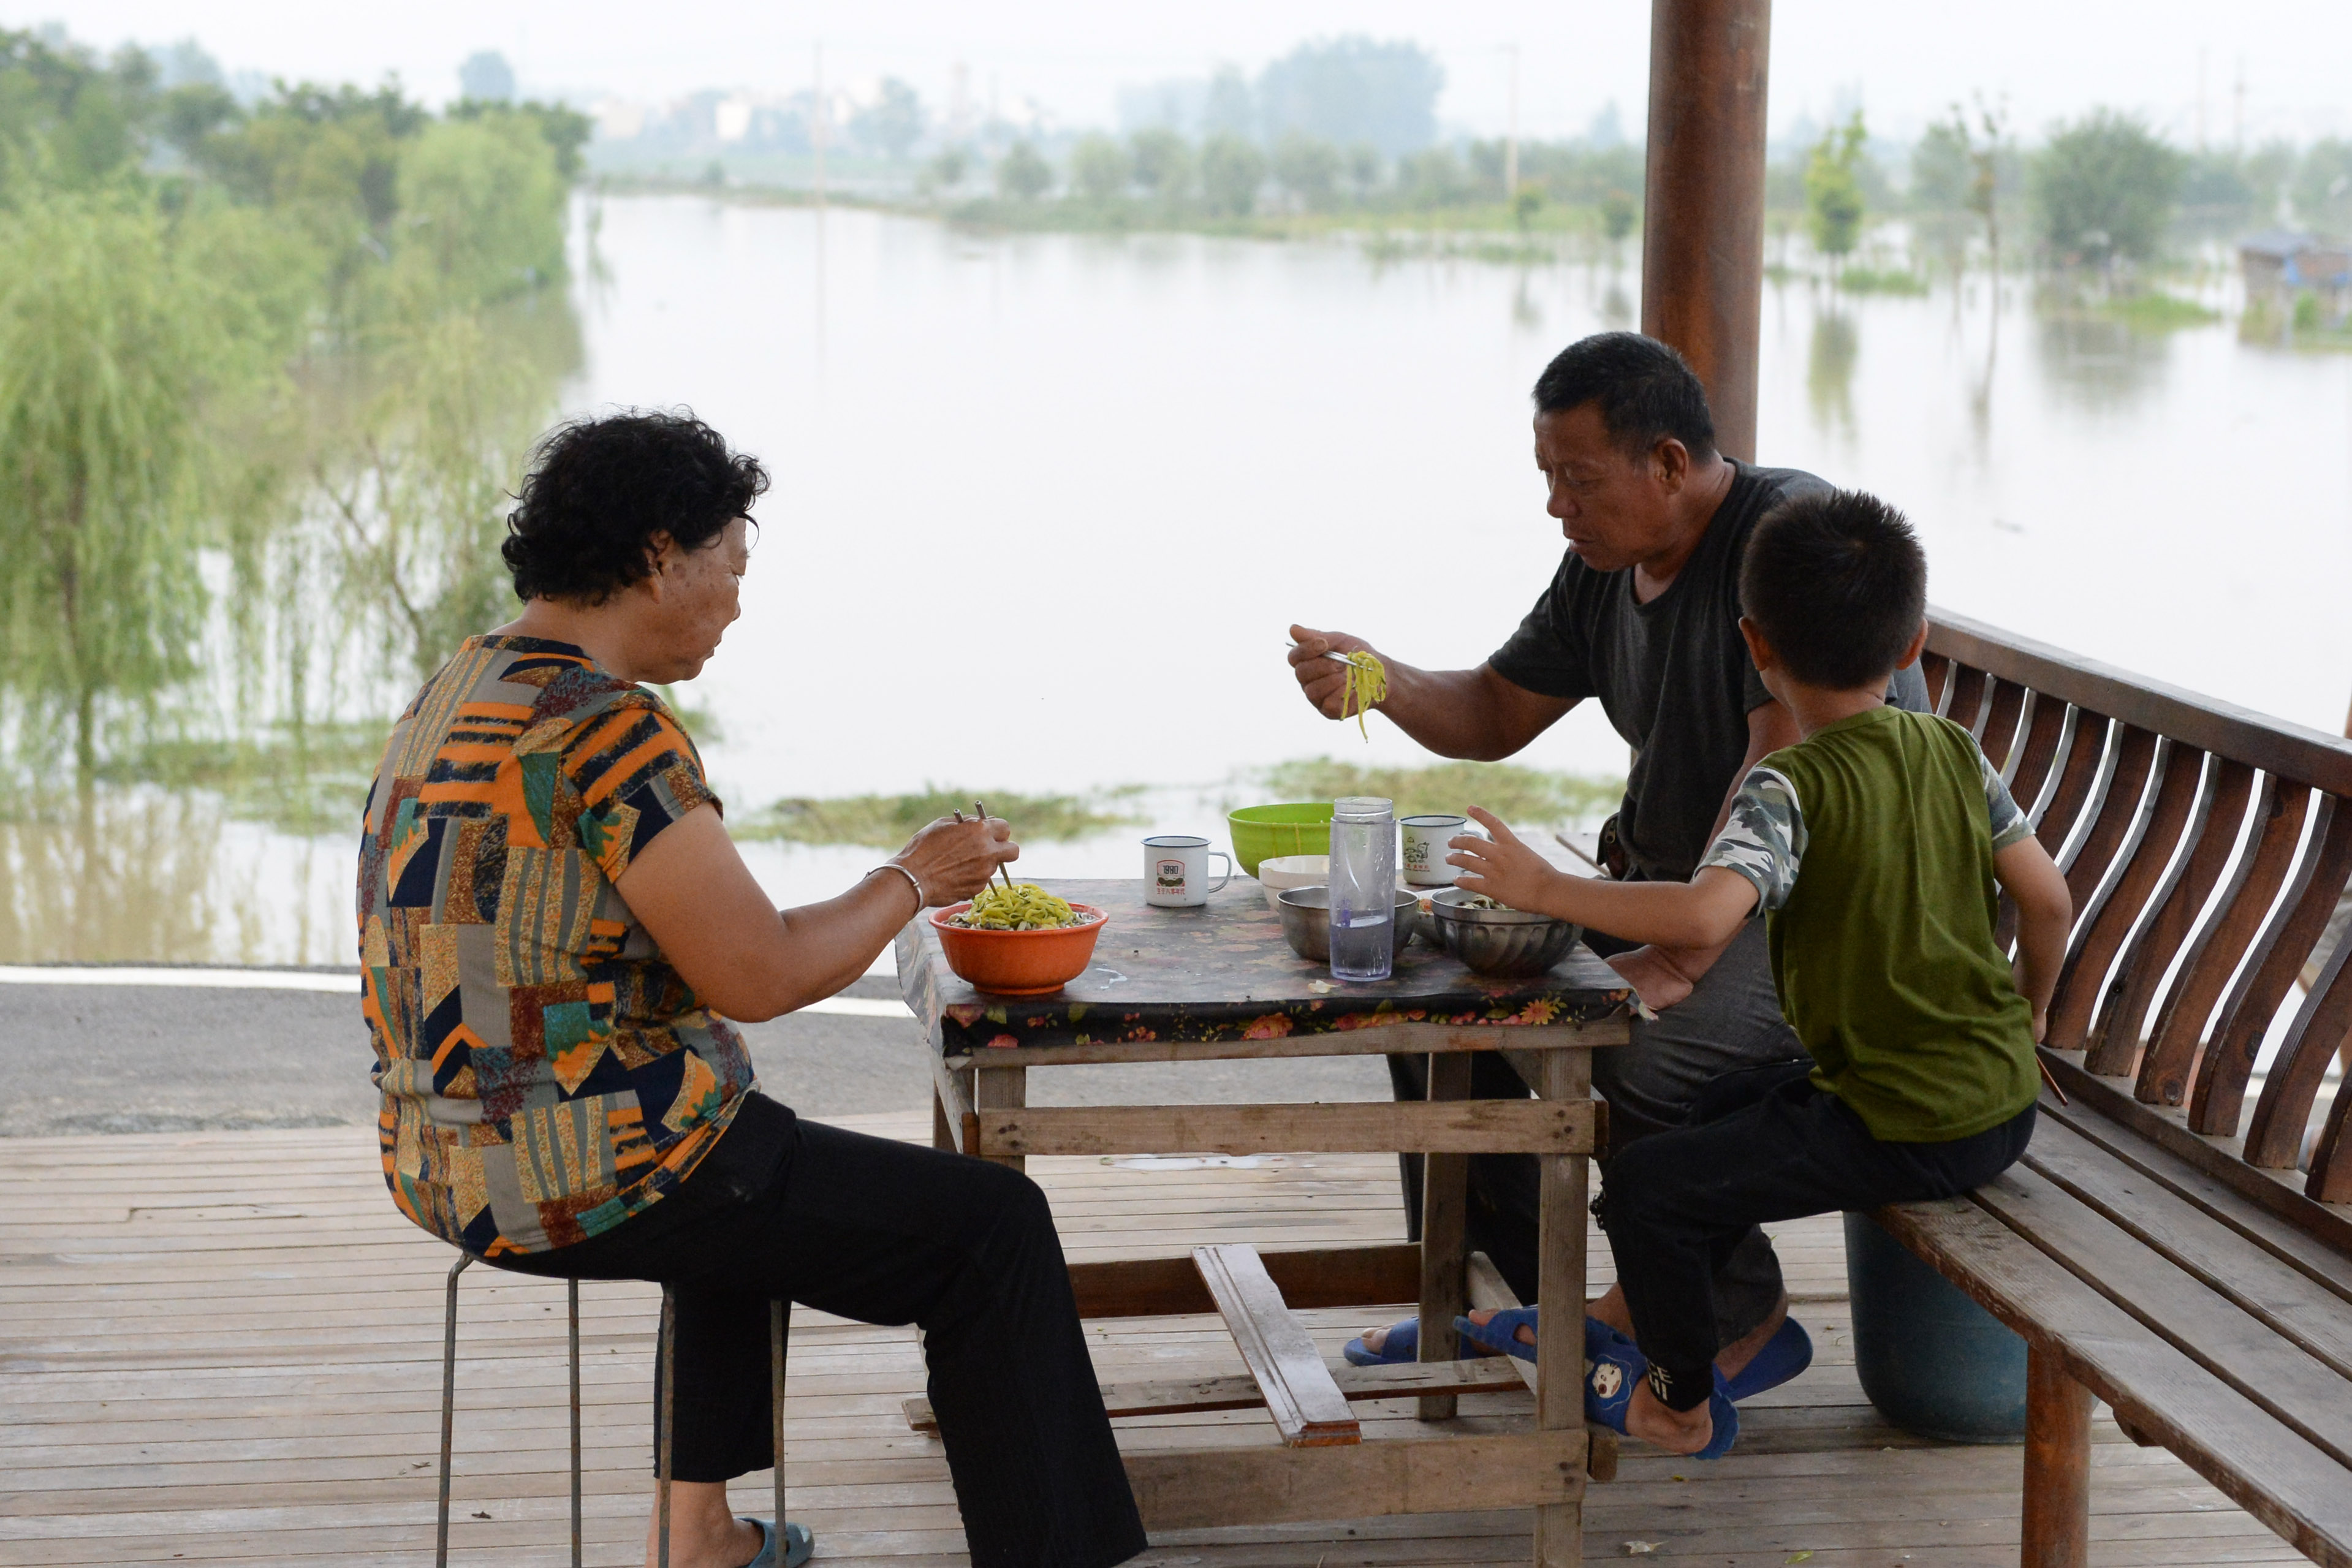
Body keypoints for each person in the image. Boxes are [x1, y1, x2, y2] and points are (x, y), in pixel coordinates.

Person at [358, 410, 1147, 1568]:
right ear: (659, 555)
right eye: (730, 565)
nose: (735, 599)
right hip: (574, 1171)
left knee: (740, 1149)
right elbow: (764, 973)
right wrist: (915, 878)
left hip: (440, 1159)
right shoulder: (605, 733)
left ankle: (703, 1537)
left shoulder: (461, 687)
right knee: (992, 1229)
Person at [1297, 332, 1925, 1388]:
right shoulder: (1603, 567)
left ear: (1669, 463)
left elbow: (1779, 769)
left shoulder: (1779, 536)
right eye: (1547, 478)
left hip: (1812, 920)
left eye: (1578, 479)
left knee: (1629, 1045)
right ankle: (1489, 1311)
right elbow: (1496, 711)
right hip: (1678, 898)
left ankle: (1727, 1321)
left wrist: (1679, 954)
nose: (1557, 506)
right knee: (1443, 997)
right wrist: (1379, 679)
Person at [1438, 488, 2070, 1456]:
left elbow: (1701, 913)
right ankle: (1720, 1318)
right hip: (1998, 1101)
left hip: (1910, 1123)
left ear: (1753, 645)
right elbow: (2046, 901)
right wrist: (2026, 1023)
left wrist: (1544, 885)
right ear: (1912, 648)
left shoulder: (1791, 784)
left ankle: (1680, 1400)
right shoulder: (1949, 747)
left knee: (1646, 1190)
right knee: (1720, 1103)